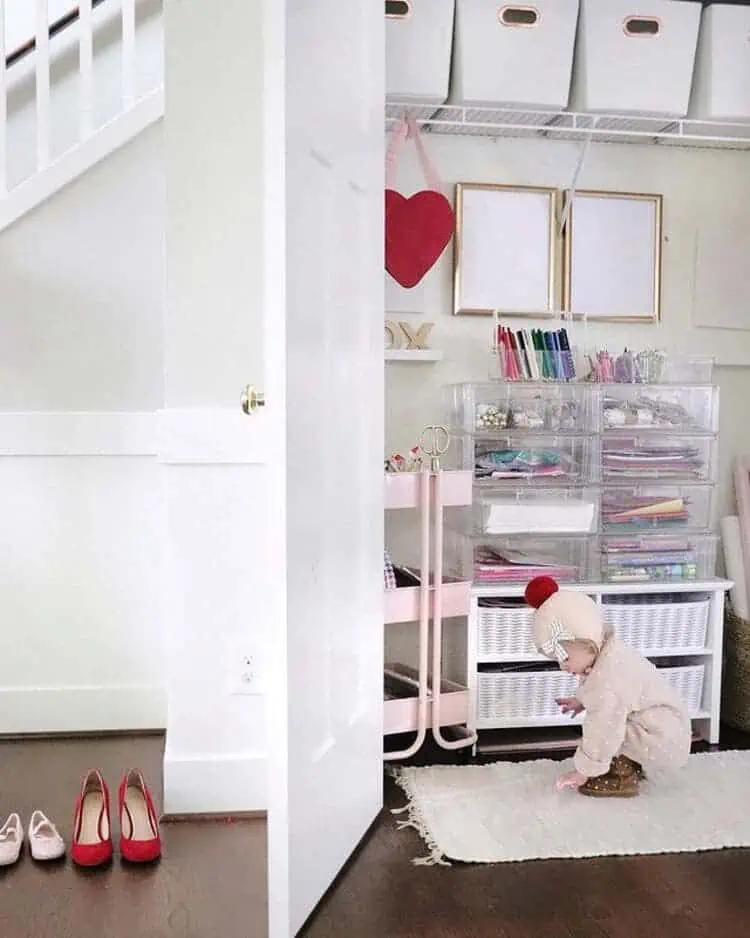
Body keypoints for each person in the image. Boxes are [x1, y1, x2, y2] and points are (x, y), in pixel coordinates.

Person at [524, 575, 692, 797]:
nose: (563, 667)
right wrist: (581, 700)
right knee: (611, 720)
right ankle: (629, 764)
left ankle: (621, 776)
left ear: (588, 643)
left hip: (661, 740)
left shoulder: (610, 677)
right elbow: (605, 690)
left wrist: (584, 771)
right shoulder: (609, 653)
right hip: (664, 729)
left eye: (565, 658)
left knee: (607, 729)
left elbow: (603, 725)